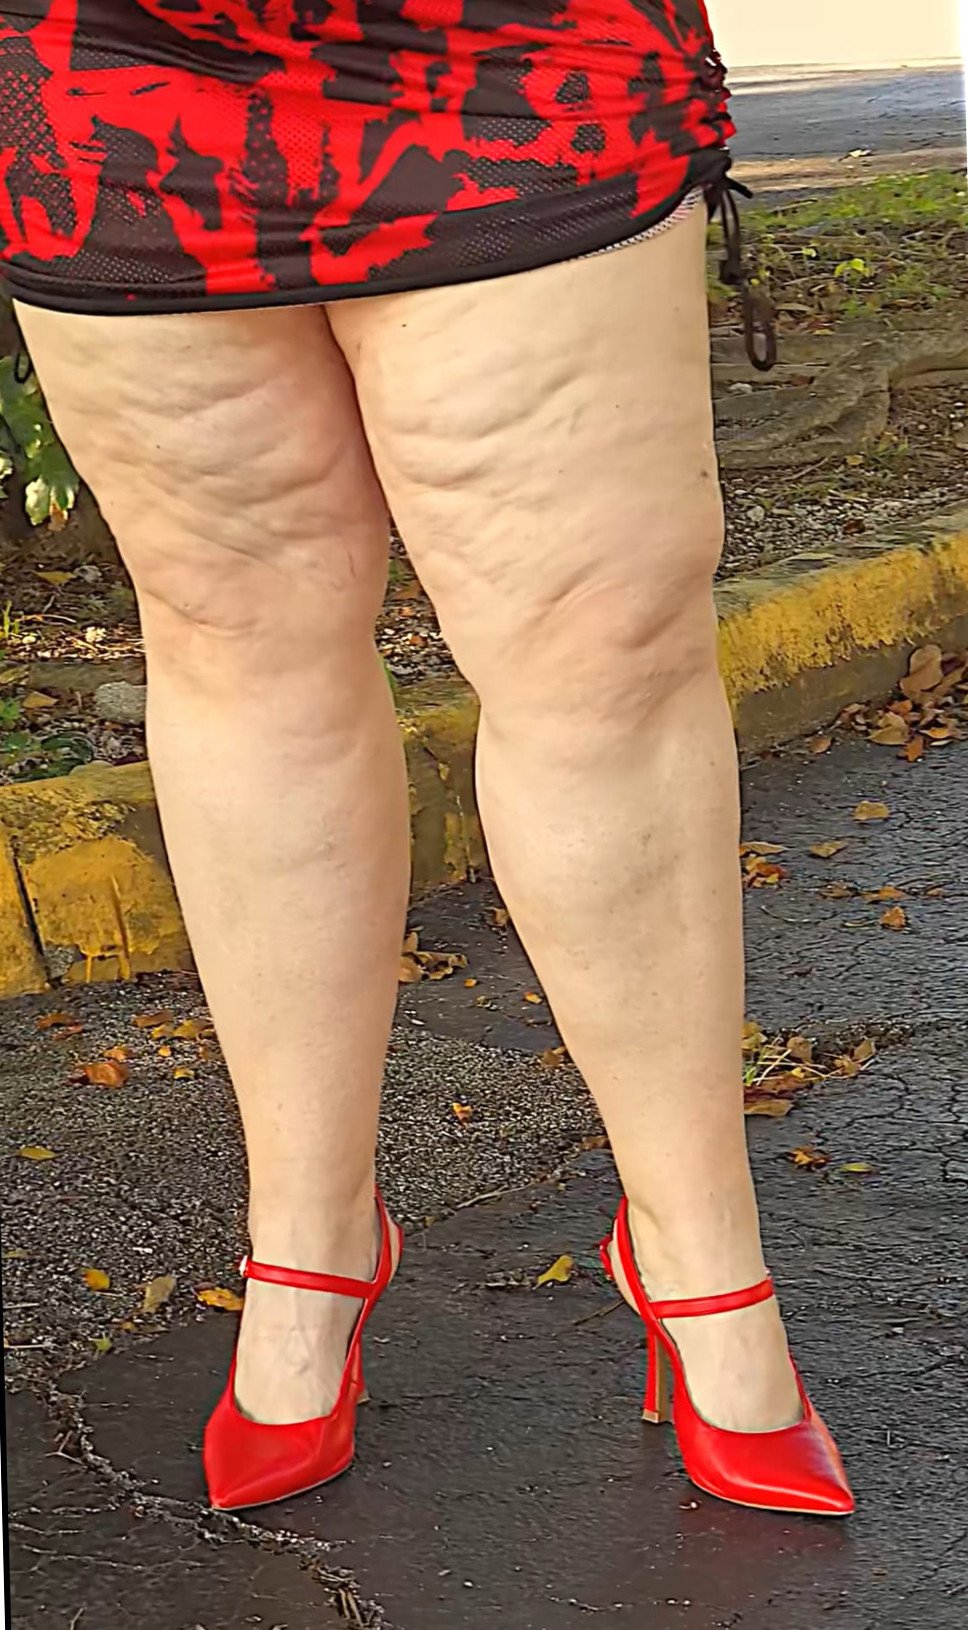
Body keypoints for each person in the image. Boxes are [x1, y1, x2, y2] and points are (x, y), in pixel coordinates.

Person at [0, 0, 852, 1516]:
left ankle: (696, 1248)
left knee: (601, 649)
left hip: (506, 46)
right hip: (111, 58)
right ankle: (310, 1237)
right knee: (231, 632)